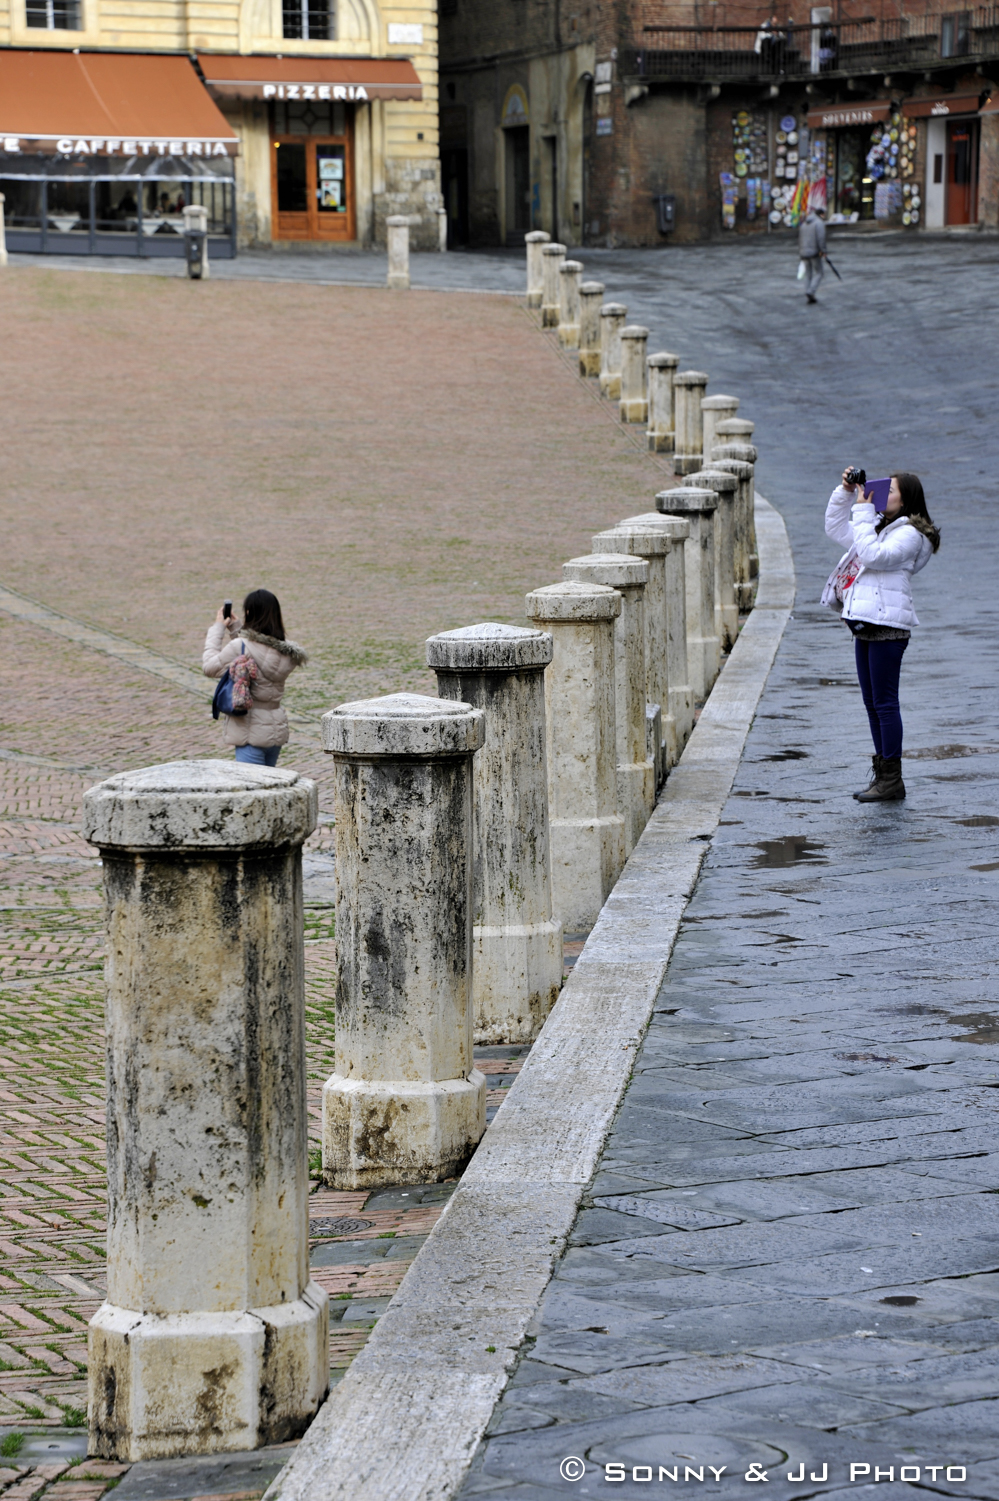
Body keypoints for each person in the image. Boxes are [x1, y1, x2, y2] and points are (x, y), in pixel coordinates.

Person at [824, 469, 940, 802]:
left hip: (889, 628)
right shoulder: (877, 528)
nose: (880, 493)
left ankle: (892, 779)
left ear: (906, 499)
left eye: (889, 490)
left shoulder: (911, 535)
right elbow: (834, 528)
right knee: (872, 704)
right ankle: (882, 776)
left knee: (886, 704)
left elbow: (874, 556)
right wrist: (846, 493)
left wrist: (862, 511)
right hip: (866, 623)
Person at [203, 589, 307, 766]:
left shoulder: (240, 645)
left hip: (249, 732)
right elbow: (259, 652)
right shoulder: (286, 652)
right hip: (274, 730)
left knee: (253, 789)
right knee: (269, 788)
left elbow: (209, 667)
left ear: (249, 613)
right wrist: (237, 628)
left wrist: (218, 628)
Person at [798, 206, 827, 303]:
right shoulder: (819, 223)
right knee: (819, 272)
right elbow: (821, 238)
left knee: (808, 274)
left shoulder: (804, 223)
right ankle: (811, 291)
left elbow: (800, 238)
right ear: (821, 215)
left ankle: (808, 292)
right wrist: (823, 250)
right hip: (814, 252)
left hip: (803, 252)